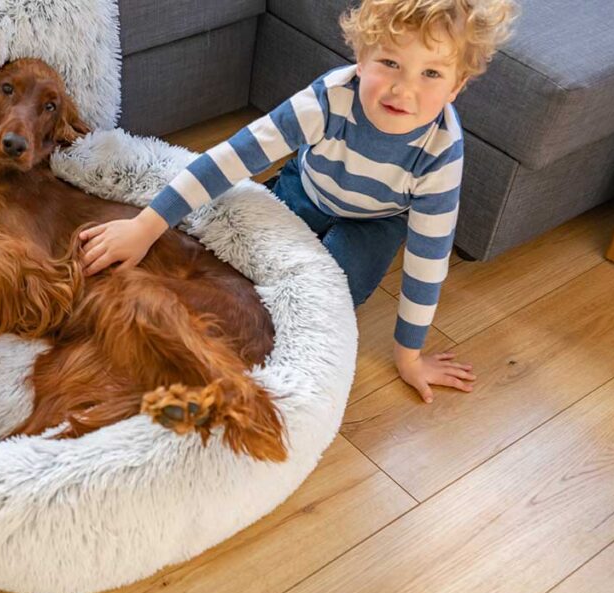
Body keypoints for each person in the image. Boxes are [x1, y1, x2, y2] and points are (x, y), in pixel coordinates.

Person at [79, 0, 517, 403]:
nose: (403, 90)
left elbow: (428, 258)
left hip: (376, 221)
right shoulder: (329, 97)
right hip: (307, 187)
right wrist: (145, 226)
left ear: (457, 85)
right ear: (361, 58)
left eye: (431, 74)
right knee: (229, 259)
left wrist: (410, 356)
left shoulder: (441, 152)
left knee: (322, 300)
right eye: (390, 62)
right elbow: (233, 157)